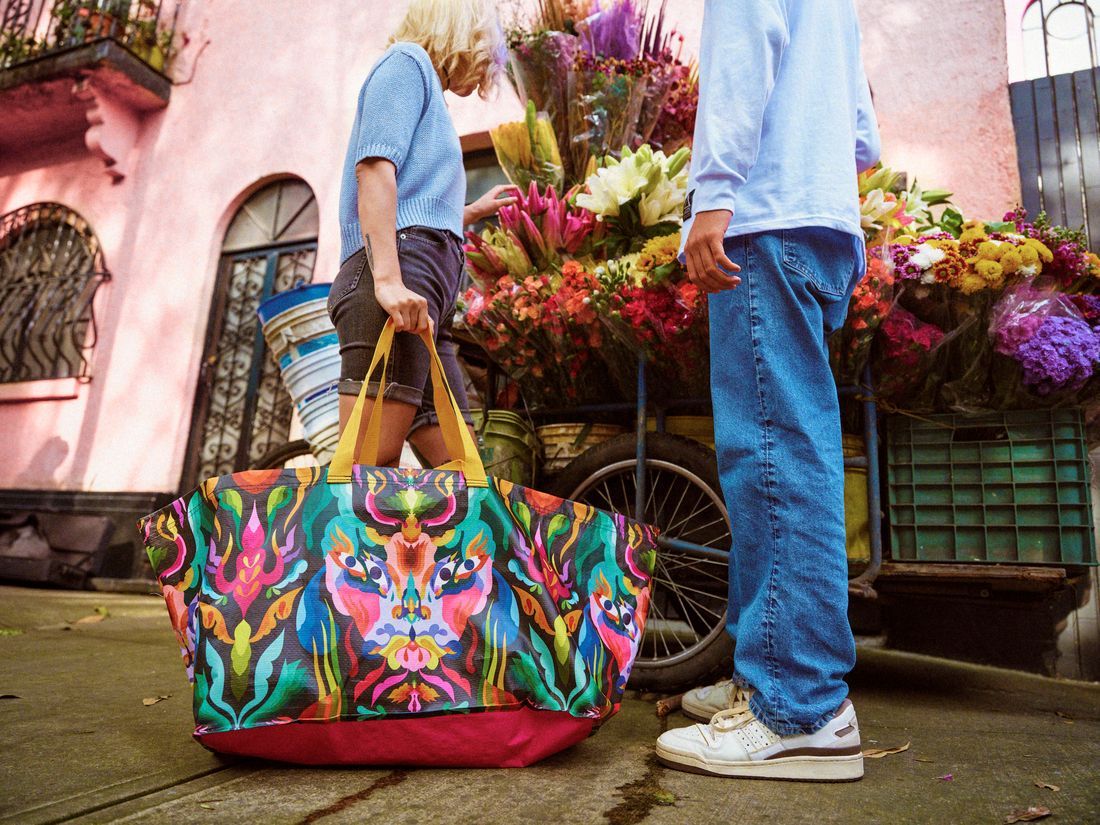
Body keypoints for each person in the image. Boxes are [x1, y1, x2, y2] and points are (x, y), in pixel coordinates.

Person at [655, 0, 881, 782]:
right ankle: (767, 674)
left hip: (767, 215)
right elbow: (861, 129)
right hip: (818, 219)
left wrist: (714, 193)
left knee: (773, 458)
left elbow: (740, 63)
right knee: (787, 450)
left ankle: (799, 707)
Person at [329, 0, 517, 466]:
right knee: (367, 472)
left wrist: (466, 213)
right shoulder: (406, 63)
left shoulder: (423, 82)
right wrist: (388, 281)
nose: (481, 78)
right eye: (483, 56)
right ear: (462, 35)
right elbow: (374, 168)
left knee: (462, 477)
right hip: (398, 283)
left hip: (425, 295)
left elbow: (412, 199)